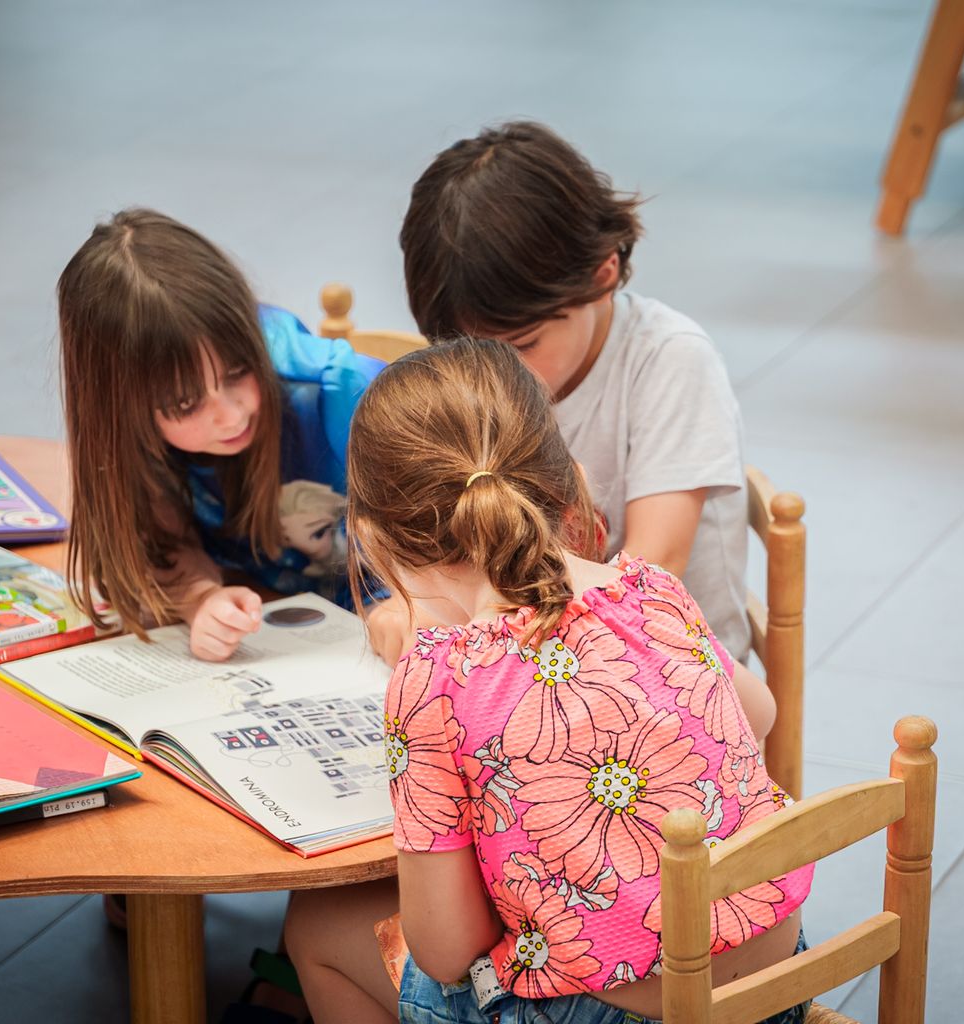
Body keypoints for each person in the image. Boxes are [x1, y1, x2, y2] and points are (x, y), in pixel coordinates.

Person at [285, 338, 812, 1024]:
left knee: (315, 929)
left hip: (615, 1013)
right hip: (775, 988)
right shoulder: (650, 588)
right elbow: (759, 712)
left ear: (377, 541)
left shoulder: (433, 682)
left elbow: (447, 952)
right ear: (565, 480)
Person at [400, 121, 752, 661]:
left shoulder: (670, 359)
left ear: (602, 273)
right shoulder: (483, 372)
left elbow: (653, 572)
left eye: (523, 344)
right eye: (469, 349)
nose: (497, 374)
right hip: (530, 661)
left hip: (675, 686)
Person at [56, 207, 386, 661]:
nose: (230, 416)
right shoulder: (126, 443)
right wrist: (200, 598)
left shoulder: (343, 393)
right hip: (290, 637)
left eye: (237, 372)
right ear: (121, 412)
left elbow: (464, 537)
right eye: (186, 404)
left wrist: (401, 609)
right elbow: (156, 546)